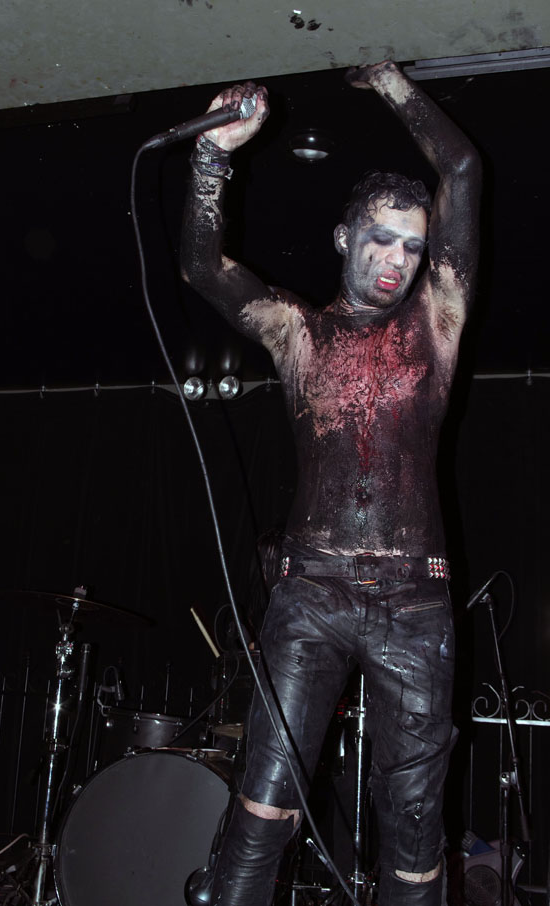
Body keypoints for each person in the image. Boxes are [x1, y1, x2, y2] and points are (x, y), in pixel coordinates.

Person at [180, 60, 481, 906]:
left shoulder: (438, 318)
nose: (397, 259)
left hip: (415, 603)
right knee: (264, 805)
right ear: (345, 238)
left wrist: (390, 82)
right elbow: (204, 268)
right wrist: (212, 156)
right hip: (310, 592)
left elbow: (462, 169)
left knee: (414, 824)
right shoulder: (298, 332)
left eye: (413, 246)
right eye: (381, 238)